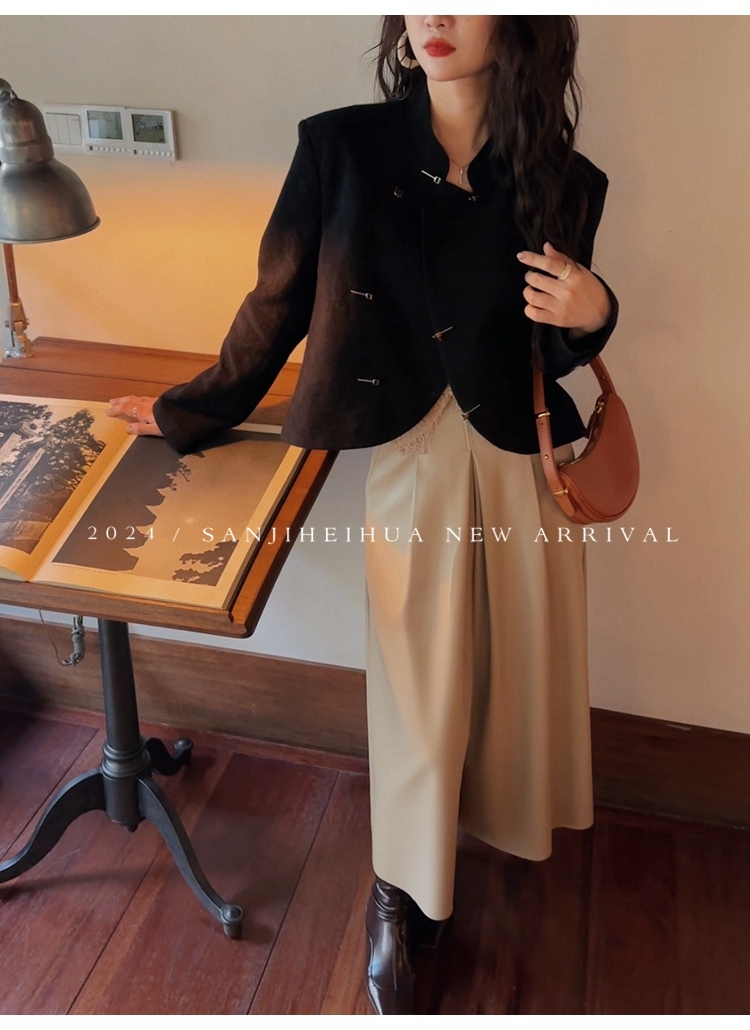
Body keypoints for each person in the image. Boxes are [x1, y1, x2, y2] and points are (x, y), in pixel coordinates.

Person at [107, 15, 617, 1015]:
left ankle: (471, 845)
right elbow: (277, 301)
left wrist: (595, 316)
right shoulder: (342, 147)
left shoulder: (565, 176)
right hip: (411, 457)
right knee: (415, 689)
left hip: (523, 460)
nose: (436, 18)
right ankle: (401, 890)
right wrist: (190, 408)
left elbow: (550, 345)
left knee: (514, 676)